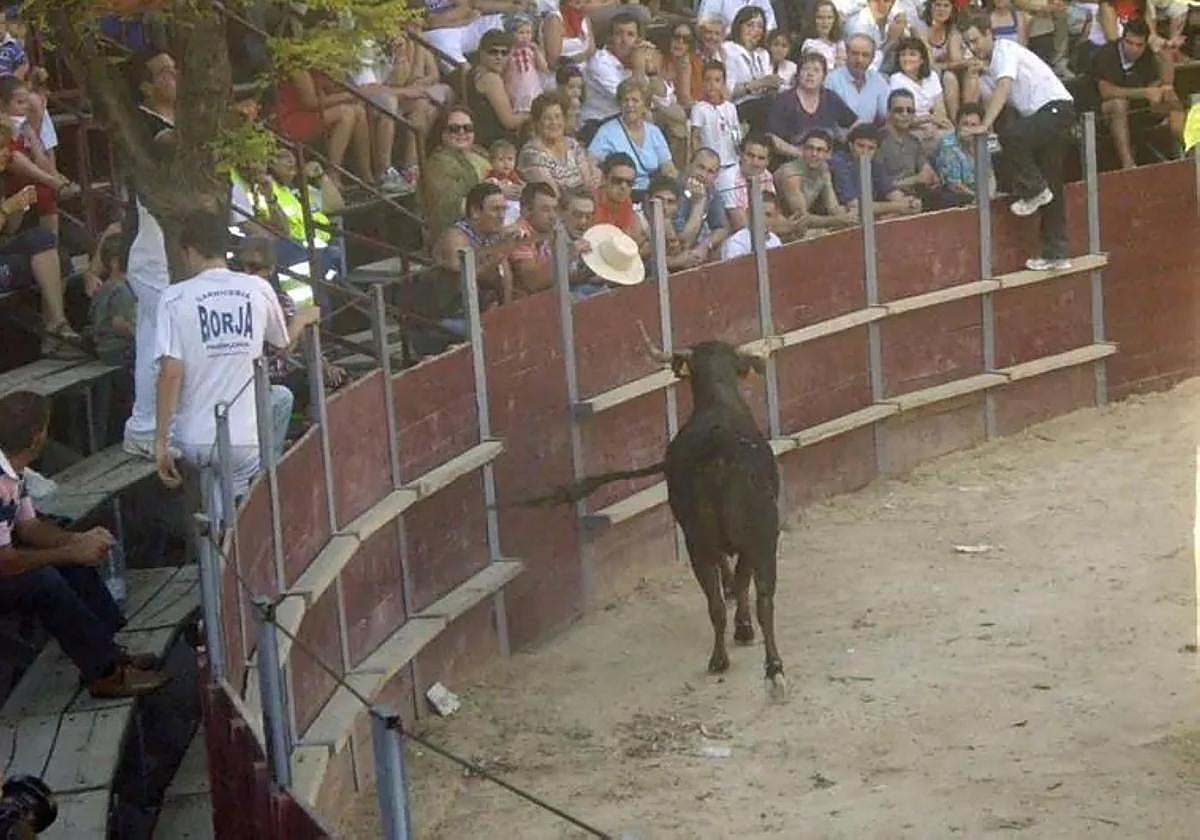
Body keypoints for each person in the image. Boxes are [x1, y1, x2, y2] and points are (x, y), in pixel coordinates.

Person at [0, 391, 169, 699]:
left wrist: (79, 540)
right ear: (37, 437)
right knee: (45, 581)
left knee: (70, 562)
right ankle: (104, 675)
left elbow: (29, 527)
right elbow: (5, 562)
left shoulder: (14, 470)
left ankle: (111, 654)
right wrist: (68, 550)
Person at [153, 211, 298, 510]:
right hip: (247, 439)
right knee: (242, 507)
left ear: (189, 251)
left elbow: (171, 372)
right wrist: (307, 318)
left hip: (195, 439)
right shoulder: (258, 288)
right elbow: (282, 343)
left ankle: (218, 540)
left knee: (216, 510)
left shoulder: (174, 297)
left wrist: (160, 441)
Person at [959, 12, 1075, 270]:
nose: (972, 47)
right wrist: (974, 76)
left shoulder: (1006, 50)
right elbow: (985, 99)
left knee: (1012, 137)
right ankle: (1055, 254)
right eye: (968, 43)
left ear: (989, 33)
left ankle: (1034, 189)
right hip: (1046, 115)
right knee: (1051, 181)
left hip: (1055, 109)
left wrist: (985, 126)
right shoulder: (990, 67)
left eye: (975, 40)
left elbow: (1004, 88)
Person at [122, 48, 179, 461]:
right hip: (149, 249)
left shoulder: (178, 120)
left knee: (157, 339)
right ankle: (145, 426)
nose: (174, 77)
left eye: (175, 69)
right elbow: (163, 147)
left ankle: (151, 423)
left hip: (170, 247)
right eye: (164, 72)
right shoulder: (142, 124)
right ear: (145, 85)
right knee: (159, 339)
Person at [1090, 17, 1184, 169]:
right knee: (1119, 104)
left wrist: (1165, 57)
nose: (1133, 49)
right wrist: (1144, 92)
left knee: (1169, 95)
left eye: (1139, 45)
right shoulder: (1107, 53)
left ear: (1145, 44)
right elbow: (1106, 92)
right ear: (1122, 39)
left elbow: (1165, 83)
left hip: (1138, 108)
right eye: (1129, 43)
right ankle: (1128, 164)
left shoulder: (1148, 54)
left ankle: (1191, 150)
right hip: (1102, 111)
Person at [0, 74, 77, 238]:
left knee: (45, 193)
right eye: (19, 103)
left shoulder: (25, 125)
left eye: (26, 102)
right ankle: (53, 181)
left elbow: (38, 154)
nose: (24, 107)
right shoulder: (5, 125)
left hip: (30, 173)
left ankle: (52, 241)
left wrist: (51, 171)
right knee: (13, 155)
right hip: (10, 174)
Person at [879, 89, 972, 209]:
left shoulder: (914, 141)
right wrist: (916, 179)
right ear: (888, 113)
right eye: (899, 110)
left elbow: (926, 171)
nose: (905, 114)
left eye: (910, 111)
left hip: (918, 195)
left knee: (964, 199)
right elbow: (881, 185)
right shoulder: (878, 141)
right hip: (890, 200)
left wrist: (932, 178)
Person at [587, 78, 676, 195]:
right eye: (625, 100)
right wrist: (596, 173)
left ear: (644, 104)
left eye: (635, 100)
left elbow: (668, 167)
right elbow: (590, 161)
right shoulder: (607, 131)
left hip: (651, 192)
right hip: (621, 192)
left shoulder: (654, 131)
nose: (630, 105)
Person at [767, 52, 859, 159]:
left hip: (828, 160)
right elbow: (771, 137)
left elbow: (856, 124)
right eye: (805, 69)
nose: (810, 74)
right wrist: (798, 153)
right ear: (798, 74)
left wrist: (847, 140)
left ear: (824, 76)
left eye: (816, 70)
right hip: (794, 160)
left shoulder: (831, 98)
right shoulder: (784, 100)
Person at [422, 106, 490, 241]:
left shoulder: (481, 153)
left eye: (467, 128)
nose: (462, 132)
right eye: (454, 129)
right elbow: (451, 208)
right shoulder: (438, 165)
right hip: (456, 234)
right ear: (442, 134)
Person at [579, 13, 650, 142]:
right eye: (618, 34)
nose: (624, 40)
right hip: (596, 123)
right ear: (609, 38)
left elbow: (656, 98)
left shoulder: (631, 61)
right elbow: (628, 97)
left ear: (638, 40)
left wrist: (651, 67)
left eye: (630, 34)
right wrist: (639, 66)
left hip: (623, 121)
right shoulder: (599, 61)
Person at [831, 123, 923, 217]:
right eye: (861, 146)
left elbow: (892, 193)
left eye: (871, 148)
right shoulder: (839, 162)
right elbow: (855, 205)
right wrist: (898, 207)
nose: (865, 152)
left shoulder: (875, 164)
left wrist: (911, 203)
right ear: (851, 145)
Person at [773, 128, 857, 228]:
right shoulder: (790, 174)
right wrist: (837, 220)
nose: (814, 154)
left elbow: (833, 207)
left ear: (828, 154)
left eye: (820, 150)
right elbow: (801, 217)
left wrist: (851, 214)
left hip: (801, 228)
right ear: (802, 149)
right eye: (809, 148)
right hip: (782, 227)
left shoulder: (824, 168)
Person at [517, 92, 599, 194]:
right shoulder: (531, 153)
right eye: (547, 118)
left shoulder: (573, 144)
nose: (554, 122)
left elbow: (588, 184)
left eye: (557, 116)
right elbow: (552, 194)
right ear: (536, 123)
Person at [510, 180, 579, 296]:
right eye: (546, 210)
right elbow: (532, 283)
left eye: (555, 209)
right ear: (526, 211)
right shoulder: (520, 234)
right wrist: (567, 255)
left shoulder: (548, 230)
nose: (553, 216)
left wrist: (584, 274)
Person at [468, 29, 529, 149]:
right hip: (495, 143)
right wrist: (531, 114)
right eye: (493, 52)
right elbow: (509, 122)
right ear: (481, 52)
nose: (499, 57)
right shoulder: (491, 79)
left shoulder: (474, 72)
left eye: (504, 53)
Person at [722, 6, 778, 134]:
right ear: (739, 26)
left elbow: (767, 85)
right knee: (766, 106)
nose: (755, 30)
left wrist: (773, 85)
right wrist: (757, 84)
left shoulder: (763, 54)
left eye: (759, 26)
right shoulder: (728, 49)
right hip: (738, 105)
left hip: (762, 103)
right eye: (750, 25)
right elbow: (728, 93)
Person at [921, 0, 978, 122]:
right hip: (931, 75)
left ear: (952, 9)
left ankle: (969, 120)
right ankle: (955, 123)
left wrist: (951, 64)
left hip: (953, 73)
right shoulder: (922, 30)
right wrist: (954, 64)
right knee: (949, 77)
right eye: (938, 5)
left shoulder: (953, 31)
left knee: (970, 74)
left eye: (946, 5)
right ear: (930, 7)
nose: (942, 9)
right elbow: (930, 65)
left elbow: (956, 61)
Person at [889, 37, 954, 140]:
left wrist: (934, 126)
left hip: (934, 125)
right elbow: (901, 117)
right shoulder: (896, 79)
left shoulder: (932, 76)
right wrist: (928, 120)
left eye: (912, 54)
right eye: (903, 55)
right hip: (910, 127)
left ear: (922, 60)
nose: (907, 59)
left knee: (952, 133)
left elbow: (940, 109)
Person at [689, 61, 741, 186]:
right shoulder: (699, 108)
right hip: (711, 168)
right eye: (708, 80)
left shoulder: (730, 107)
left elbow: (736, 133)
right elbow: (695, 137)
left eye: (717, 80)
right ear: (702, 83)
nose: (712, 85)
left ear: (723, 83)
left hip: (732, 163)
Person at [932, 103, 996, 201]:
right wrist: (980, 198)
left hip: (979, 193)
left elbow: (990, 174)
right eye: (965, 124)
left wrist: (990, 195)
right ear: (957, 125)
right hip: (956, 195)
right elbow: (954, 186)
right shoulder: (948, 145)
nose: (968, 129)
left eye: (973, 125)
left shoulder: (984, 140)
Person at [674, 146, 731, 255]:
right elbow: (683, 240)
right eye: (700, 167)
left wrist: (705, 246)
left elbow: (722, 228)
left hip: (695, 249)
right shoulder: (674, 189)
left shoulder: (710, 190)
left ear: (716, 176)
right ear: (689, 165)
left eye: (710, 172)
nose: (704, 175)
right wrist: (699, 202)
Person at [825, 33, 892, 126]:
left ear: (872, 58)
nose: (859, 60)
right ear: (847, 54)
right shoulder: (832, 80)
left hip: (869, 137)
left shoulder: (878, 81)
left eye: (865, 55)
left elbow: (886, 115)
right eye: (855, 53)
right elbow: (828, 120)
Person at [421, 0, 505, 66]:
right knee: (442, 44)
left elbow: (466, 7)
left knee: (495, 21)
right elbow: (429, 22)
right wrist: (464, 20)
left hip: (466, 23)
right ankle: (470, 77)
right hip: (439, 32)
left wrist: (464, 18)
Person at [721, 134, 777, 232]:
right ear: (741, 155)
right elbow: (739, 224)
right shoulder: (728, 178)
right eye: (750, 155)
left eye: (761, 158)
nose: (755, 163)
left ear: (768, 161)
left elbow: (772, 214)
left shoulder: (767, 176)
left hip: (761, 232)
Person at [593, 151, 645, 243]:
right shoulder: (590, 203)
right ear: (604, 179)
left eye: (629, 183)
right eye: (617, 180)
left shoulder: (626, 202)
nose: (623, 187)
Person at [719, 190, 784, 259]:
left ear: (775, 219)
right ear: (749, 213)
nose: (762, 219)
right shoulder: (736, 243)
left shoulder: (775, 241)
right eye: (759, 213)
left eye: (768, 215)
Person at [504, 15, 547, 114]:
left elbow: (544, 67)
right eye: (521, 32)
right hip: (515, 89)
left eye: (528, 32)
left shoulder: (531, 51)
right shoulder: (508, 52)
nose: (525, 36)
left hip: (532, 88)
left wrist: (536, 51)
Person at [799, 1, 847, 71]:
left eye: (829, 17)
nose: (825, 22)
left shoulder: (840, 43)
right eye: (820, 17)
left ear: (834, 20)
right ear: (814, 20)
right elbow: (818, 69)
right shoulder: (809, 44)